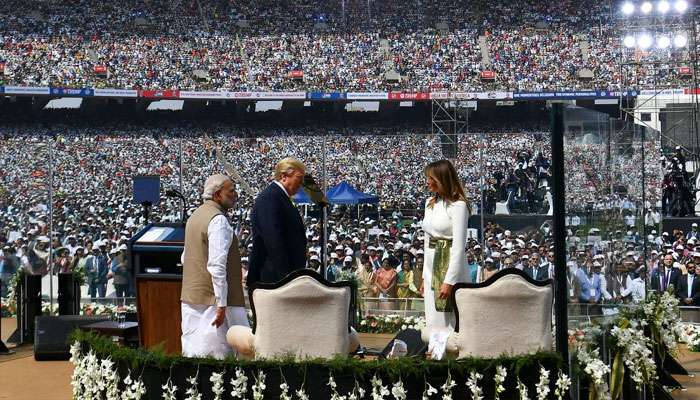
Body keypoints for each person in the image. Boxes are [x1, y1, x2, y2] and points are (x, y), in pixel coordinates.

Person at [180, 174, 248, 359]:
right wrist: (221, 303)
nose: (235, 195)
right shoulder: (217, 220)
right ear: (218, 195)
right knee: (216, 356)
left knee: (194, 352)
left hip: (193, 297)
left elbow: (186, 257)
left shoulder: (195, 216)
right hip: (213, 302)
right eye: (231, 191)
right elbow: (217, 266)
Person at [420, 159, 470, 341]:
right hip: (432, 264)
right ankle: (436, 354)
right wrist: (425, 277)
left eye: (431, 178)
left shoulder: (459, 206)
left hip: (449, 264)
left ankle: (451, 355)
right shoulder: (429, 203)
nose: (428, 182)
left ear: (442, 180)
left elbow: (458, 246)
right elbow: (427, 241)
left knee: (450, 316)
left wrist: (449, 281)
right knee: (433, 314)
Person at [247, 158, 307, 285]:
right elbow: (273, 239)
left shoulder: (281, 197)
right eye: (299, 178)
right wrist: (286, 278)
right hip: (274, 277)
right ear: (284, 176)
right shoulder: (271, 197)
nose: (302, 183)